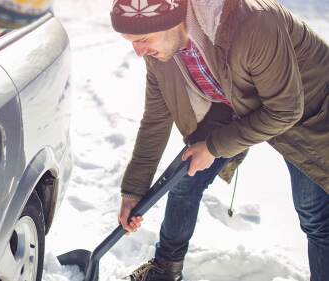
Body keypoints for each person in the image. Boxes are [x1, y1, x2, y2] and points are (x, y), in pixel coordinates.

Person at [110, 0, 329, 280]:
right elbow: (155, 121)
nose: (138, 52)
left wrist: (214, 147)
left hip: (309, 111)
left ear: (172, 21)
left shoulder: (254, 23)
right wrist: (133, 192)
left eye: (142, 39)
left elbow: (286, 110)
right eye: (131, 42)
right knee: (184, 178)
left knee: (315, 216)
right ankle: (166, 269)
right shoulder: (160, 53)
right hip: (238, 101)